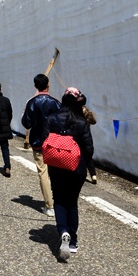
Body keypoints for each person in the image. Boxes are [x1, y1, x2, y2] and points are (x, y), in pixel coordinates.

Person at [45, 88, 95, 261]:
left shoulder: (51, 119)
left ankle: (63, 231)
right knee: (72, 203)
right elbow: (89, 149)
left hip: (57, 167)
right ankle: (72, 241)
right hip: (77, 168)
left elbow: (45, 141)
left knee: (58, 199)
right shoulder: (82, 122)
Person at [24, 73, 62, 216]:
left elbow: (26, 123)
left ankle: (49, 205)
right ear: (48, 84)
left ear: (35, 86)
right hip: (55, 142)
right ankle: (60, 202)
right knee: (57, 173)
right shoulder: (56, 102)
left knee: (43, 173)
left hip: (38, 142)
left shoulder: (31, 102)